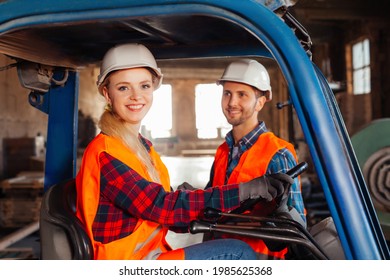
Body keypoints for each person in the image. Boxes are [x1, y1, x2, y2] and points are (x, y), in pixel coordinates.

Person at [75, 43, 294, 260]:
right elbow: (162, 206)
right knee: (237, 252)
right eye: (123, 88)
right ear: (107, 93)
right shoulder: (107, 153)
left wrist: (187, 198)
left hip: (150, 254)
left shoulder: (138, 147)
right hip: (130, 262)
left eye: (144, 86)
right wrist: (245, 191)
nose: (136, 96)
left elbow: (165, 209)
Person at [203, 59, 306, 259]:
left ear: (260, 101)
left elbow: (297, 229)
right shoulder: (223, 151)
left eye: (242, 95)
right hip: (220, 256)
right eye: (227, 93)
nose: (232, 102)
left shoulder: (277, 154)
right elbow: (210, 204)